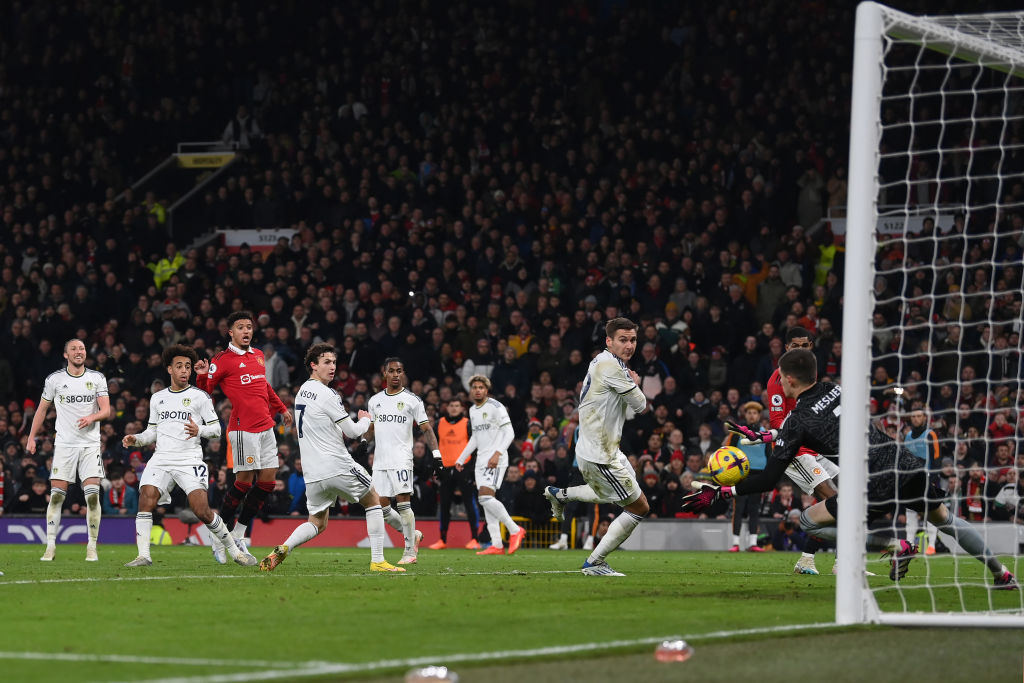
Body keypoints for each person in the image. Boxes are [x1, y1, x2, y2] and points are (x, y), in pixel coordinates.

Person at [682, 349, 1017, 589]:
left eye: (780, 379)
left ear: (787, 379)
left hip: (872, 480)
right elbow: (823, 425)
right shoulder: (834, 388)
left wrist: (724, 491)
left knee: (808, 520)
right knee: (946, 519)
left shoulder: (797, 419)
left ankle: (893, 546)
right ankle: (1001, 573)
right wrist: (769, 435)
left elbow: (770, 478)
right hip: (902, 462)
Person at [260, 344, 404, 572]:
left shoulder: (302, 392)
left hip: (312, 472)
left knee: (317, 522)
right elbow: (354, 431)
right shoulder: (328, 394)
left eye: (334, 362)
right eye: (326, 362)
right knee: (373, 501)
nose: (332, 367)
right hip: (336, 464)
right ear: (313, 365)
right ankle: (378, 560)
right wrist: (365, 419)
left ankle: (285, 548)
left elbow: (323, 426)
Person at [121, 344, 256, 567]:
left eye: (187, 367)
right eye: (179, 366)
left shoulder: (200, 397)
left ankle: (234, 551)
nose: (184, 371)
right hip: (161, 458)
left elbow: (216, 430)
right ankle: (143, 556)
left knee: (202, 510)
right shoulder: (157, 398)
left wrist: (199, 430)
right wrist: (137, 439)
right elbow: (152, 431)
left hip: (189, 459)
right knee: (146, 499)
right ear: (169, 370)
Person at [542, 318, 650, 576]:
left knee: (615, 493)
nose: (629, 345)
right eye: (623, 340)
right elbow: (641, 405)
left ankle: (561, 495)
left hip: (602, 449)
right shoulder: (612, 366)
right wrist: (635, 381)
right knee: (639, 508)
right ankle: (595, 562)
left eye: (633, 340)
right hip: (600, 454)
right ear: (609, 341)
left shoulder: (603, 361)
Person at [729, 327, 839, 575]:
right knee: (835, 501)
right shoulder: (777, 380)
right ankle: (842, 563)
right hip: (795, 449)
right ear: (786, 348)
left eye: (806, 345)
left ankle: (807, 559)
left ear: (812, 346)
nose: (801, 349)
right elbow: (779, 423)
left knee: (845, 498)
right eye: (795, 345)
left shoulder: (811, 372)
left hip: (816, 445)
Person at [195, 311, 293, 563]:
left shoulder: (258, 355)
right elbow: (205, 393)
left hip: (266, 427)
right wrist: (202, 375)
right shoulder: (222, 360)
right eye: (241, 327)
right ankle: (219, 536)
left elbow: (265, 387)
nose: (246, 331)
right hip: (242, 429)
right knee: (244, 482)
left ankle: (238, 534)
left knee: (268, 482)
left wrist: (281, 408)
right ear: (231, 332)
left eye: (249, 327)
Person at [26, 339, 110, 562]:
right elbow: (42, 410)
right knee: (56, 498)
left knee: (92, 497)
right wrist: (31, 437)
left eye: (82, 348)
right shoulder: (55, 380)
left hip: (90, 445)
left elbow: (106, 410)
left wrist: (92, 417)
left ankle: (92, 546)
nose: (78, 352)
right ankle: (50, 546)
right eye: (74, 349)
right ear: (66, 355)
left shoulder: (96, 378)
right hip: (64, 445)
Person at [365, 357, 442, 564]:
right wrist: (363, 443)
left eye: (399, 371)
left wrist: (437, 456)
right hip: (380, 462)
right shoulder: (374, 401)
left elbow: (426, 429)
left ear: (403, 373)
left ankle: (409, 551)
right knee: (380, 508)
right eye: (392, 371)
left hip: (401, 459)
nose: (396, 374)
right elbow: (372, 428)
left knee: (403, 505)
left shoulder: (412, 400)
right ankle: (414, 534)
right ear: (385, 374)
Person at [454, 375, 527, 556]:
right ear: (470, 391)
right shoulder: (472, 410)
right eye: (474, 387)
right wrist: (461, 458)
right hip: (481, 460)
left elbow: (509, 433)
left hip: (496, 459)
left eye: (481, 387)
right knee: (487, 503)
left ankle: (515, 530)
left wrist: (498, 453)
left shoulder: (495, 406)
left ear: (487, 390)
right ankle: (496, 544)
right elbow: (475, 438)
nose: (477, 390)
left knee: (484, 498)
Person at [427, 397, 482, 550]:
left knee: (470, 503)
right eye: (451, 405)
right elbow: (434, 446)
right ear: (447, 407)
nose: (454, 408)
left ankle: (474, 539)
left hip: (463, 468)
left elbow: (475, 447)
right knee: (444, 504)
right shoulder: (439, 424)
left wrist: (472, 470)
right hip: (445, 469)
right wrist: (435, 466)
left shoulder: (468, 424)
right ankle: (442, 540)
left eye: (457, 406)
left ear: (461, 408)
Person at [722, 401, 768, 552]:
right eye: (749, 413)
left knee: (755, 508)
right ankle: (735, 543)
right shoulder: (737, 433)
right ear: (745, 415)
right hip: (740, 474)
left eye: (755, 413)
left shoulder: (765, 433)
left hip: (759, 474)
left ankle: (753, 543)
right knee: (739, 508)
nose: (752, 415)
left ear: (759, 415)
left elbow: (770, 455)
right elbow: (729, 451)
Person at [902, 408, 941, 555]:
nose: (916, 418)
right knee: (910, 513)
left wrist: (934, 479)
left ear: (924, 418)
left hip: (928, 478)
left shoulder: (930, 434)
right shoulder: (907, 436)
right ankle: (909, 545)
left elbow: (936, 458)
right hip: (911, 480)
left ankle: (931, 545)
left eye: (918, 416)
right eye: (913, 416)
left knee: (931, 511)